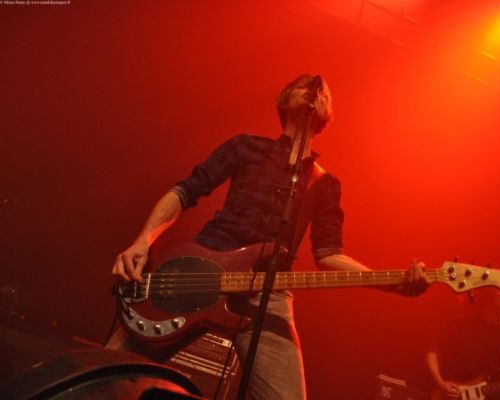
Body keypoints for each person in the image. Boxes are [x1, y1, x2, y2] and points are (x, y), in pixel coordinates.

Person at [108, 74, 430, 400]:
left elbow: (329, 254)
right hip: (200, 267)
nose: (315, 91)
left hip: (268, 287)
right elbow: (186, 191)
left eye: (323, 92)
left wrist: (392, 283)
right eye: (306, 85)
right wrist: (143, 240)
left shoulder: (325, 184)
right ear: (284, 99)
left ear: (328, 114)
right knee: (107, 373)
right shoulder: (245, 146)